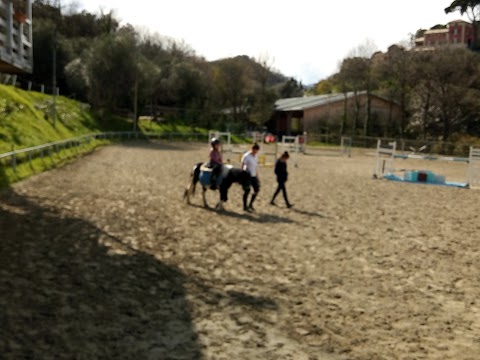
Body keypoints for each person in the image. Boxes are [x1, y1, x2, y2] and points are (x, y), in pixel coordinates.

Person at [241, 143, 260, 212]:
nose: (256, 153)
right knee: (247, 191)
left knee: (256, 189)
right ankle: (245, 205)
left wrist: (257, 176)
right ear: (252, 149)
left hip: (253, 175)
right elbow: (243, 166)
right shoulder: (246, 156)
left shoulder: (256, 156)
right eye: (255, 151)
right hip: (247, 175)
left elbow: (255, 167)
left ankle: (251, 204)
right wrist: (242, 175)